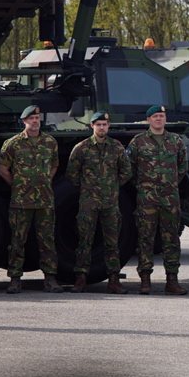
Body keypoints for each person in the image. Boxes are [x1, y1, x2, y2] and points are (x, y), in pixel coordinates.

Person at [66, 110, 133, 294]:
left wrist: (112, 186)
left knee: (112, 243)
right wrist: (88, 188)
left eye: (104, 124)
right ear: (92, 126)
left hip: (110, 203)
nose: (101, 127)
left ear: (108, 126)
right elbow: (72, 174)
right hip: (88, 203)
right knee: (84, 241)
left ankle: (114, 280)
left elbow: (126, 172)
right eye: (98, 125)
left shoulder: (117, 147)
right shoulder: (82, 148)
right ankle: (80, 279)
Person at [0, 104, 60, 294]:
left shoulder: (50, 142)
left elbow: (54, 165)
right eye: (31, 119)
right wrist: (17, 185)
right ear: (24, 121)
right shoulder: (13, 143)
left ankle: (50, 279)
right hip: (21, 201)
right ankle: (15, 279)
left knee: (47, 241)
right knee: (18, 240)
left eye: (37, 118)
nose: (35, 121)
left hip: (44, 200)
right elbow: (3, 170)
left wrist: (45, 181)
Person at [129, 105, 189, 295]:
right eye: (155, 116)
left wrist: (169, 184)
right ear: (148, 120)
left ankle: (172, 280)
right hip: (147, 199)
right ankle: (145, 280)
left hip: (170, 199)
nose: (158, 119)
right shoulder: (138, 142)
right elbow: (129, 169)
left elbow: (182, 167)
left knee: (171, 239)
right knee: (145, 239)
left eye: (161, 116)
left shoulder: (175, 141)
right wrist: (143, 186)